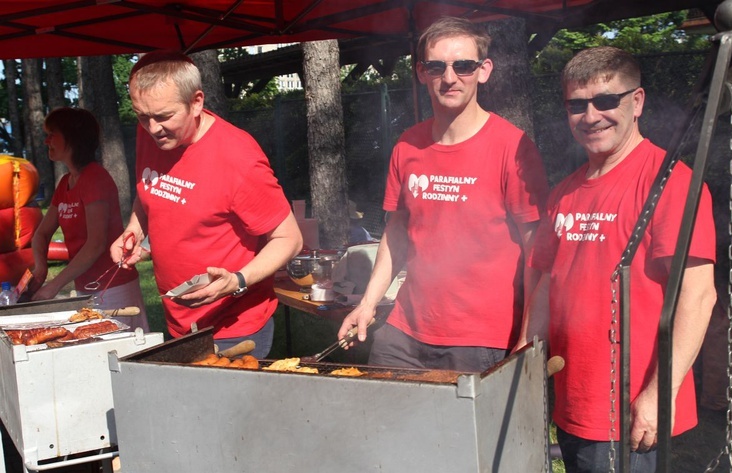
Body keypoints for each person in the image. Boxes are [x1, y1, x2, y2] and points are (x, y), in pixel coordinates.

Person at [517, 46, 716, 472]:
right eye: (577, 105)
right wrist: (520, 360)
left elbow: (698, 297)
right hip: (574, 399)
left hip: (628, 407)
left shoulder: (669, 181)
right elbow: (549, 282)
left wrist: (657, 396)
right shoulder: (565, 191)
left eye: (607, 100)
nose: (591, 116)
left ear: (637, 102)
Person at [337, 17, 549, 372]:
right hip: (404, 331)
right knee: (382, 423)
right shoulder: (407, 144)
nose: (450, 78)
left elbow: (536, 254)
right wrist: (368, 303)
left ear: (484, 70)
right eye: (437, 66)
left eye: (463, 66)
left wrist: (528, 336)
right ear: (421, 72)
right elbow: (397, 231)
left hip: (481, 339)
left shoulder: (513, 148)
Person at [111, 51, 302, 357]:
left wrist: (238, 281)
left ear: (196, 102)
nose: (152, 128)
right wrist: (134, 229)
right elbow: (150, 186)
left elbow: (290, 239)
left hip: (234, 327)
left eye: (163, 116)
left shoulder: (238, 157)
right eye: (141, 115)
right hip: (179, 321)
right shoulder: (152, 131)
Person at [30, 107, 149, 331]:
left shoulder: (95, 178)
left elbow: (95, 244)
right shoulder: (66, 182)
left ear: (73, 138)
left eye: (51, 134)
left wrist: (54, 285)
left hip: (114, 288)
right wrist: (41, 268)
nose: (47, 141)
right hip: (87, 287)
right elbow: (42, 234)